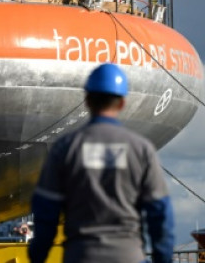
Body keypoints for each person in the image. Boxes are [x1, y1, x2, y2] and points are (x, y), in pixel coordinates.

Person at [28, 63, 174, 263]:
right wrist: (163, 259)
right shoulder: (141, 149)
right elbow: (160, 213)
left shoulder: (65, 148)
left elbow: (46, 210)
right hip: (128, 256)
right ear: (122, 103)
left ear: (87, 100)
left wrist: (38, 256)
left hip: (81, 256)